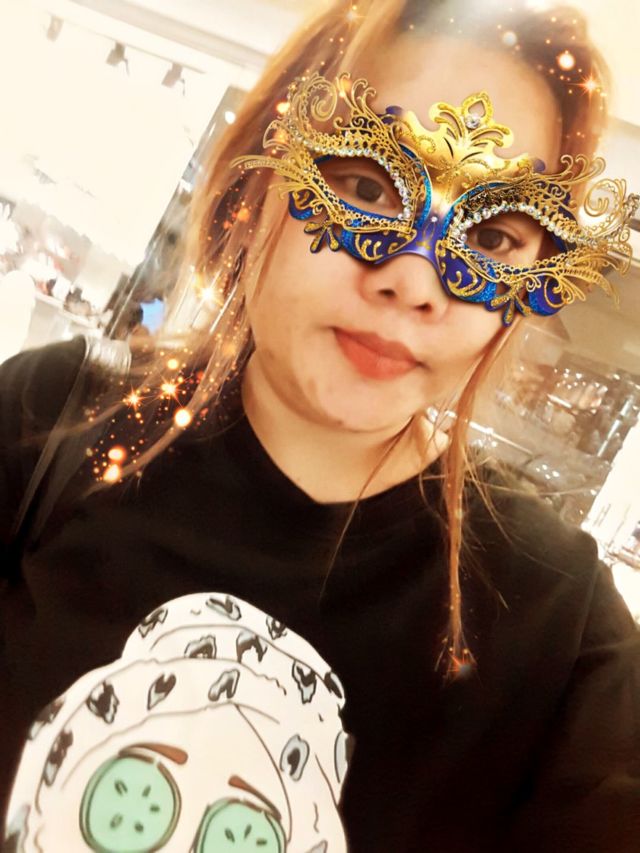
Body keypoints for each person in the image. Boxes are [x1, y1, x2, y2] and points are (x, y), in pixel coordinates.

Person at [1, 1, 639, 850]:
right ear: (259, 182)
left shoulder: (559, 626)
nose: (415, 282)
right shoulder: (54, 418)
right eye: (368, 187)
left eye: (490, 236)